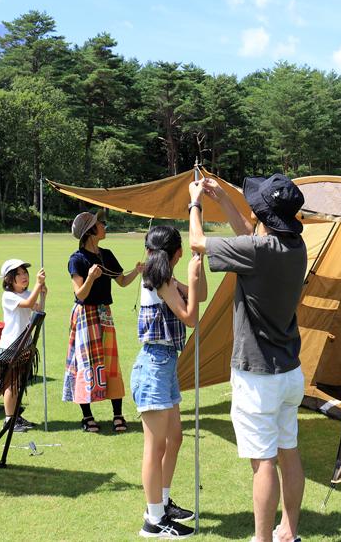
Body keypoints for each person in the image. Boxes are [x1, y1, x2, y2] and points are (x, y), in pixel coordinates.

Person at [188, 174, 307, 542]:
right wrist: (223, 200)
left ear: (266, 218)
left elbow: (197, 242)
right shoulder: (294, 246)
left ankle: (263, 539)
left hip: (258, 377)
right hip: (289, 371)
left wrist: (195, 203)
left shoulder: (258, 253)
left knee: (263, 462)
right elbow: (250, 239)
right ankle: (288, 532)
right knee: (288, 452)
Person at [131, 225, 207, 539]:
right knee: (155, 445)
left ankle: (161, 504)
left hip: (165, 365)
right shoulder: (158, 279)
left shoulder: (164, 276)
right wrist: (189, 272)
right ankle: (153, 520)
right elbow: (191, 317)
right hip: (154, 365)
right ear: (175, 254)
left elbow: (199, 294)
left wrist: (197, 266)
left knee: (174, 439)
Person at [64, 209, 143, 433]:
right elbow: (79, 294)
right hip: (85, 314)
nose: (104, 226)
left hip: (104, 313)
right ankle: (87, 416)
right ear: (90, 231)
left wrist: (137, 271)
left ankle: (117, 414)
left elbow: (122, 281)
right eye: (101, 224)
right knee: (86, 364)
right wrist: (90, 278)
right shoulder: (77, 259)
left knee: (110, 363)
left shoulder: (106, 254)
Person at [0, 258, 47, 433]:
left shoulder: (26, 293)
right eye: (18, 274)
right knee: (10, 384)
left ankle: (15, 416)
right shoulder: (8, 296)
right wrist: (37, 284)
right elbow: (26, 305)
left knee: (17, 383)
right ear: (9, 279)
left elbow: (38, 309)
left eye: (24, 272)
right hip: (11, 346)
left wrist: (42, 293)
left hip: (23, 345)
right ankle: (9, 420)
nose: (23, 276)